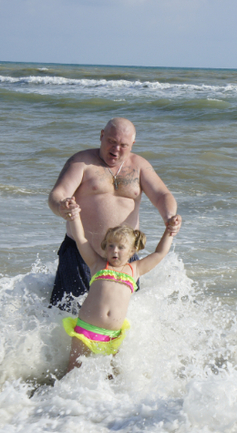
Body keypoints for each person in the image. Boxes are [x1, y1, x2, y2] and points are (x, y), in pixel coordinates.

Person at [48, 117, 181, 310]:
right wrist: (62, 207)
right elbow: (58, 194)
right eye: (111, 141)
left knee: (121, 315)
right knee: (68, 315)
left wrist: (169, 217)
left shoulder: (139, 166)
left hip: (125, 257)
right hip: (82, 254)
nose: (116, 149)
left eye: (123, 145)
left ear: (132, 144)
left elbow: (162, 195)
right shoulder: (82, 162)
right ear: (102, 135)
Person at [61, 197, 179, 372]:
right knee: (73, 370)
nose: (114, 250)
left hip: (113, 336)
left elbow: (160, 252)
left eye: (121, 247)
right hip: (86, 329)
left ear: (132, 251)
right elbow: (80, 239)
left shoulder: (135, 269)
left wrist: (169, 231)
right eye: (110, 245)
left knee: (113, 375)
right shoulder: (97, 264)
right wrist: (75, 216)